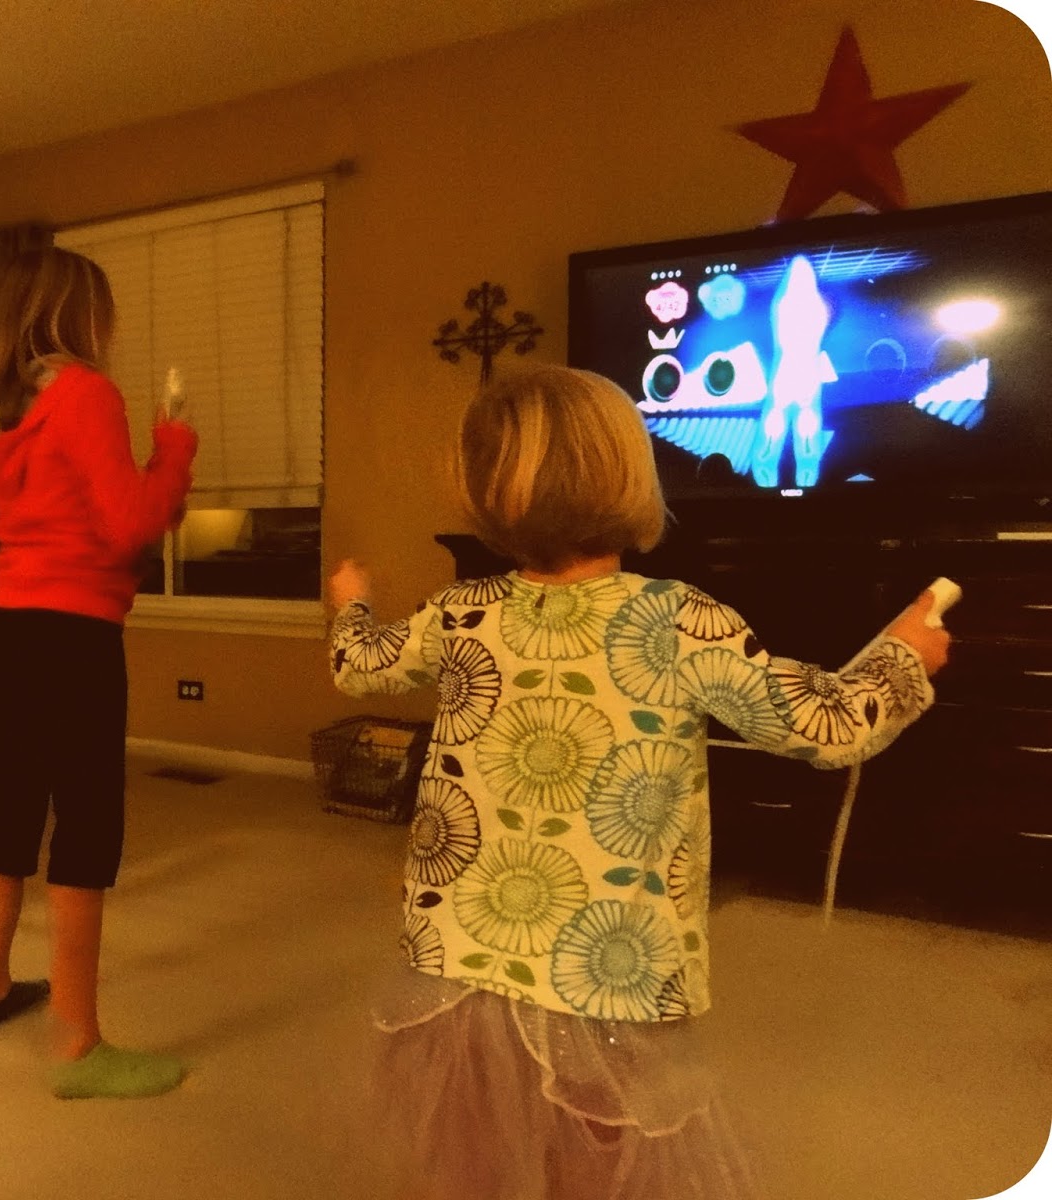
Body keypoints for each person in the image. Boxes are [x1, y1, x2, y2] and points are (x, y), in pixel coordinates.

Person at [326, 363, 949, 1198]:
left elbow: (359, 665)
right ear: (629, 476)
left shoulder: (460, 612)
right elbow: (828, 725)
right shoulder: (681, 620)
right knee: (604, 1158)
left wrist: (351, 601)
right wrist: (905, 655)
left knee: (477, 1151)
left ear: (484, 497)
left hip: (458, 954)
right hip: (608, 968)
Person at [0, 245, 198, 1100]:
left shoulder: (2, 415)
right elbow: (131, 522)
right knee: (88, 819)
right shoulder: (87, 393)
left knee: (17, 798)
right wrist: (174, 448)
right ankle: (76, 1041)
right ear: (78, 313)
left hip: (15, 620)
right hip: (75, 627)